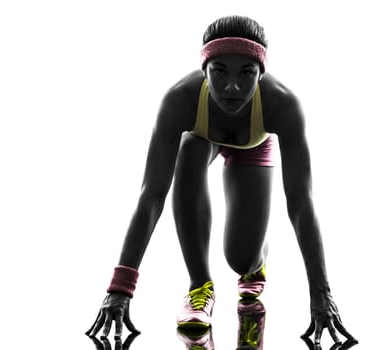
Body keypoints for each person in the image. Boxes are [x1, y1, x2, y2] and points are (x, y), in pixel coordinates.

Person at [86, 15, 357, 346]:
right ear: (204, 70)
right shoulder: (179, 100)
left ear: (262, 74)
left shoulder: (282, 105)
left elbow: (301, 203)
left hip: (252, 148)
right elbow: (152, 195)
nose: (232, 86)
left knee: (241, 259)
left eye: (246, 73)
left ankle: (256, 265)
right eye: (219, 72)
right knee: (190, 150)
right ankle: (199, 287)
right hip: (203, 140)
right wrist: (120, 288)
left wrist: (321, 295)